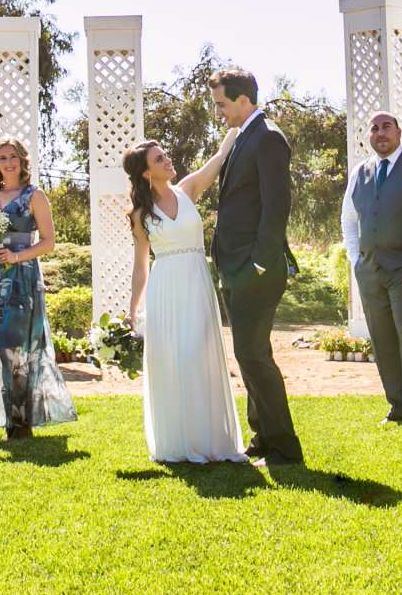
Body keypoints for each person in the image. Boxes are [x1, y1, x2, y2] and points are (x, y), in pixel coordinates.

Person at [126, 133, 248, 463]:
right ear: (147, 173)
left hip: (196, 283)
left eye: (165, 155)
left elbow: (219, 157)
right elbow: (141, 266)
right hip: (165, 289)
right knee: (174, 362)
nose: (168, 160)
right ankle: (179, 444)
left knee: (199, 356)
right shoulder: (141, 214)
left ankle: (212, 441)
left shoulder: (189, 189)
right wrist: (133, 308)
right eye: (159, 160)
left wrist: (236, 127)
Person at [208, 68, 304, 464]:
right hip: (237, 267)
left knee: (253, 356)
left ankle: (284, 447)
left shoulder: (267, 138)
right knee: (249, 354)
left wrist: (261, 264)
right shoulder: (246, 135)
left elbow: (276, 204)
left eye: (222, 104)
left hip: (256, 268)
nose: (219, 112)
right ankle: (262, 438)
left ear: (244, 100)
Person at [0, 136, 77, 439]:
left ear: (23, 160)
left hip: (22, 276)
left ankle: (22, 419)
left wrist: (17, 255)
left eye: (13, 156)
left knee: (20, 347)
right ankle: (6, 415)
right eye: (2, 158)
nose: (8, 163)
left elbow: (49, 242)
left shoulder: (34, 196)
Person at [341, 110, 402, 427]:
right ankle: (396, 405)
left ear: (399, 132)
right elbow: (349, 222)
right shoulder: (359, 172)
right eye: (375, 128)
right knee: (381, 338)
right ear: (369, 135)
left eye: (386, 127)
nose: (380, 133)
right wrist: (356, 261)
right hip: (370, 271)